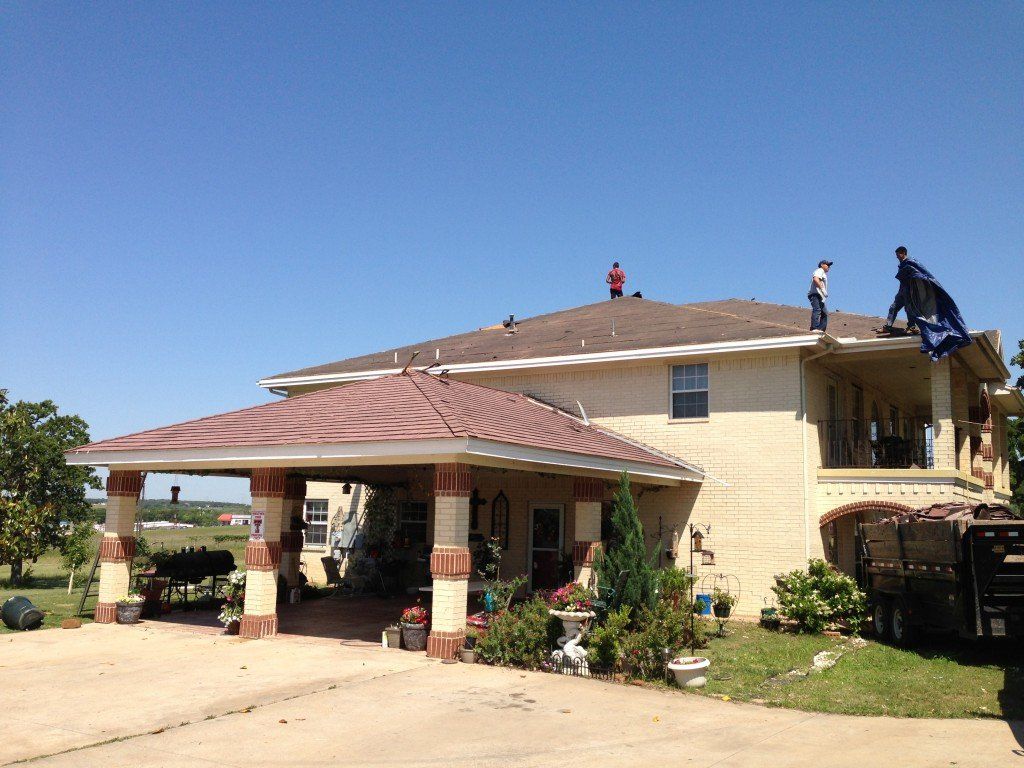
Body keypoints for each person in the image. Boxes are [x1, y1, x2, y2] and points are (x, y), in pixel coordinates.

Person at [881, 245, 972, 361]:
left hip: (911, 291)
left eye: (898, 254)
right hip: (903, 291)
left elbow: (922, 274)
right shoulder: (902, 265)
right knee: (894, 307)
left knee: (911, 309)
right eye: (896, 255)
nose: (897, 257)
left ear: (903, 253)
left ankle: (912, 326)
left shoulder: (910, 262)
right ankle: (888, 326)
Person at [807, 259, 833, 331]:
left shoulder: (823, 273)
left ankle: (821, 330)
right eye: (827, 265)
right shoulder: (819, 270)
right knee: (817, 310)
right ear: (822, 265)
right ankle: (814, 328)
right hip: (815, 294)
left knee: (824, 313)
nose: (829, 267)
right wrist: (822, 289)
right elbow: (815, 279)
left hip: (820, 296)